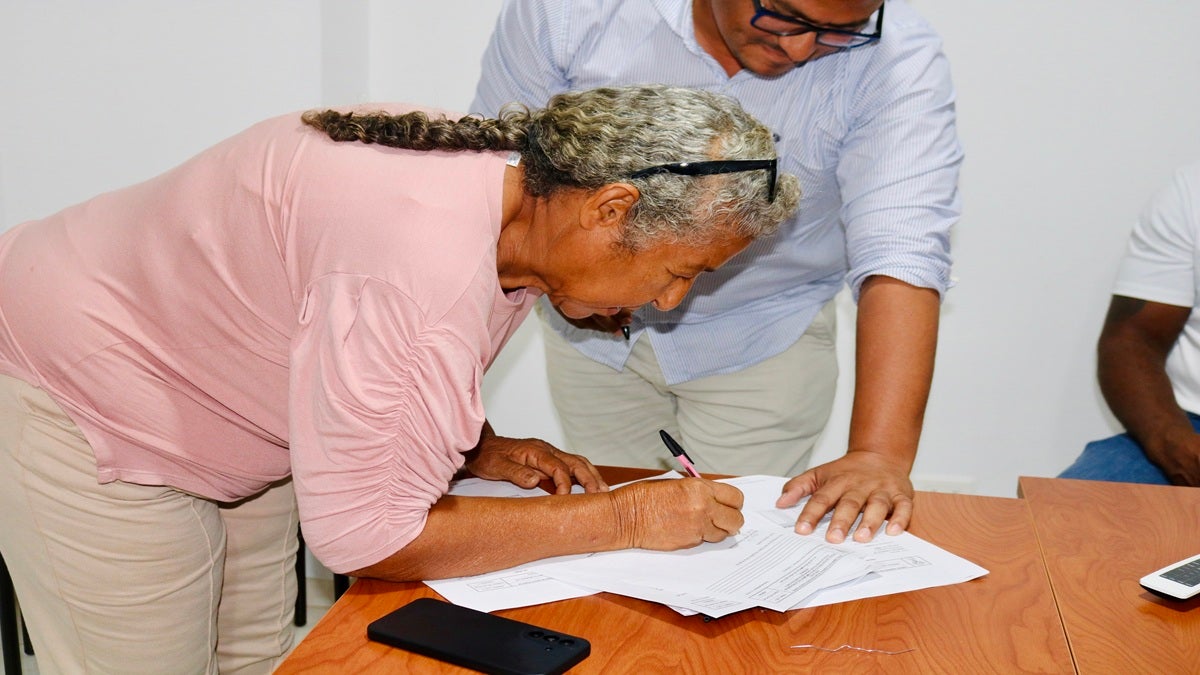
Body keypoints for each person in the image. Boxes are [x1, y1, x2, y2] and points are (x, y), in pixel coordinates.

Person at [0, 84, 799, 674]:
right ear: (611, 209)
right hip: (86, 393)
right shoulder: (418, 258)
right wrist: (623, 518)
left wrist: (472, 449)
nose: (669, 301)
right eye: (680, 271)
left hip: (232, 399)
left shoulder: (514, 194)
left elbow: (359, 342)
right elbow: (368, 536)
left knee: (261, 661)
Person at [472, 0, 963, 544]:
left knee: (735, 545)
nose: (800, 48)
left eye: (836, 33)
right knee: (602, 534)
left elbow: (902, 247)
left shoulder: (894, 56)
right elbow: (501, 185)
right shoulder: (568, 13)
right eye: (784, 16)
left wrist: (877, 455)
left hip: (761, 338)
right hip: (589, 337)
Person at [1059, 161, 1200, 487]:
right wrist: (1176, 445)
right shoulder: (1191, 191)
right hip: (1191, 426)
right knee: (1065, 516)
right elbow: (1132, 339)